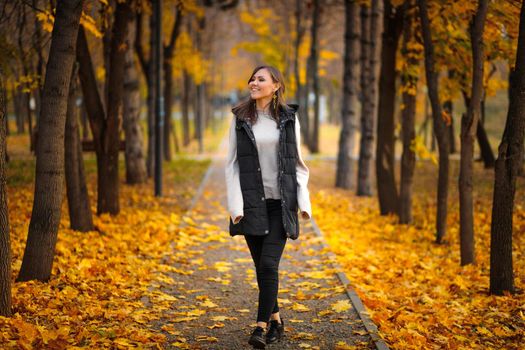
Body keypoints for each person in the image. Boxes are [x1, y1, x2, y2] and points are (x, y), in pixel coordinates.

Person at [225, 65, 312, 349]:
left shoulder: (288, 118)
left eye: (260, 79)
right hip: (251, 204)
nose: (253, 82)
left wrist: (303, 201)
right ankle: (276, 318)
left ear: (275, 86)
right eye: (252, 78)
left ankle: (260, 327)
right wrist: (236, 206)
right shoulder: (239, 119)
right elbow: (232, 165)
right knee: (262, 267)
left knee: (268, 264)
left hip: (281, 203)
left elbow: (298, 162)